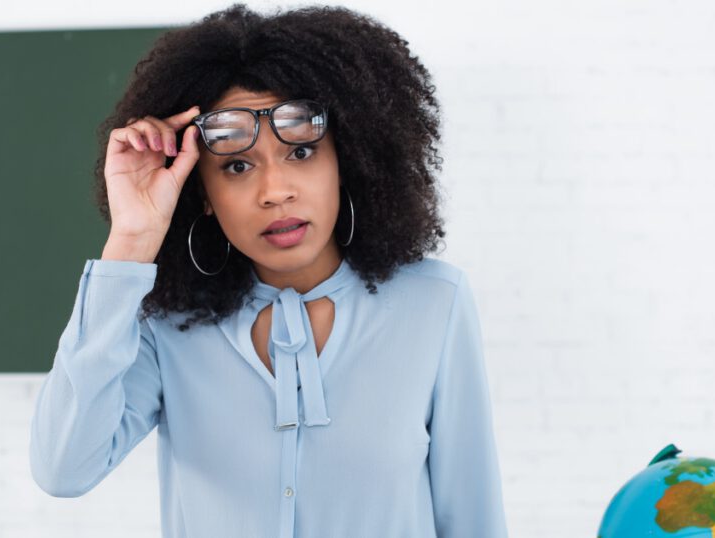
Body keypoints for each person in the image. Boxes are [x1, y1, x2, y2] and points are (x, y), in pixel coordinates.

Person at [29, 4, 509, 537]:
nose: (275, 191)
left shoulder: (433, 304)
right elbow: (63, 469)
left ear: (346, 160)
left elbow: (472, 518)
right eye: (237, 166)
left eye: (301, 152)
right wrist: (132, 239)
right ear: (203, 194)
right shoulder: (166, 327)